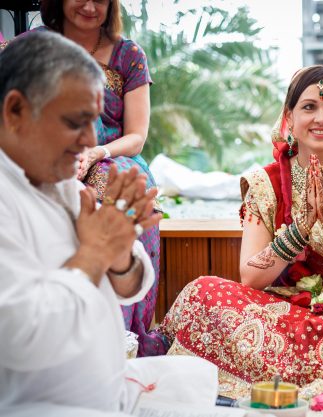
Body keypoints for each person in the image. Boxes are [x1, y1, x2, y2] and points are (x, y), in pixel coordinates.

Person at [157, 65, 323, 406]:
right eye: (309, 107)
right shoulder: (266, 183)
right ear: (289, 117)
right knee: (203, 292)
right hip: (286, 309)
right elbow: (251, 277)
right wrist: (300, 230)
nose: (321, 118)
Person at [0, 31, 216, 416]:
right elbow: (24, 336)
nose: (90, 142)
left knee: (198, 379)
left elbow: (132, 286)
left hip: (110, 389)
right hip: (41, 406)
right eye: (76, 122)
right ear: (15, 111)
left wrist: (119, 255)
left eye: (94, 122)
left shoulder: (62, 183)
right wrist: (96, 252)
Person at [37, 0, 162, 356]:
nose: (90, 6)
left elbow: (136, 136)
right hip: (48, 154)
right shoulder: (34, 46)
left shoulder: (128, 55)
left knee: (126, 195)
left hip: (111, 154)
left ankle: (125, 340)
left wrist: (94, 153)